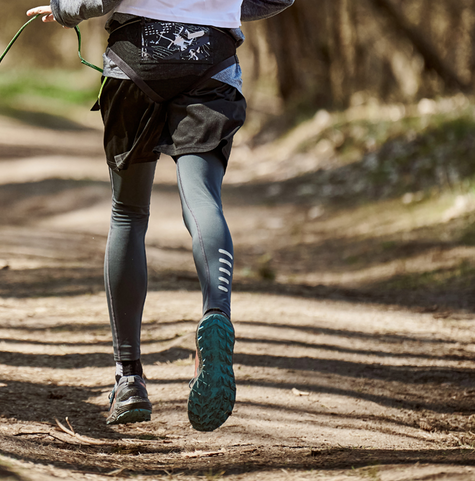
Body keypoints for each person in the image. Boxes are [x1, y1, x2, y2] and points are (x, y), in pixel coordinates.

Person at [25, 0, 293, 431]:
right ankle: (217, 314)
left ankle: (129, 378)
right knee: (203, 200)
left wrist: (65, 9)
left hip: (135, 60)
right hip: (212, 59)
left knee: (128, 214)